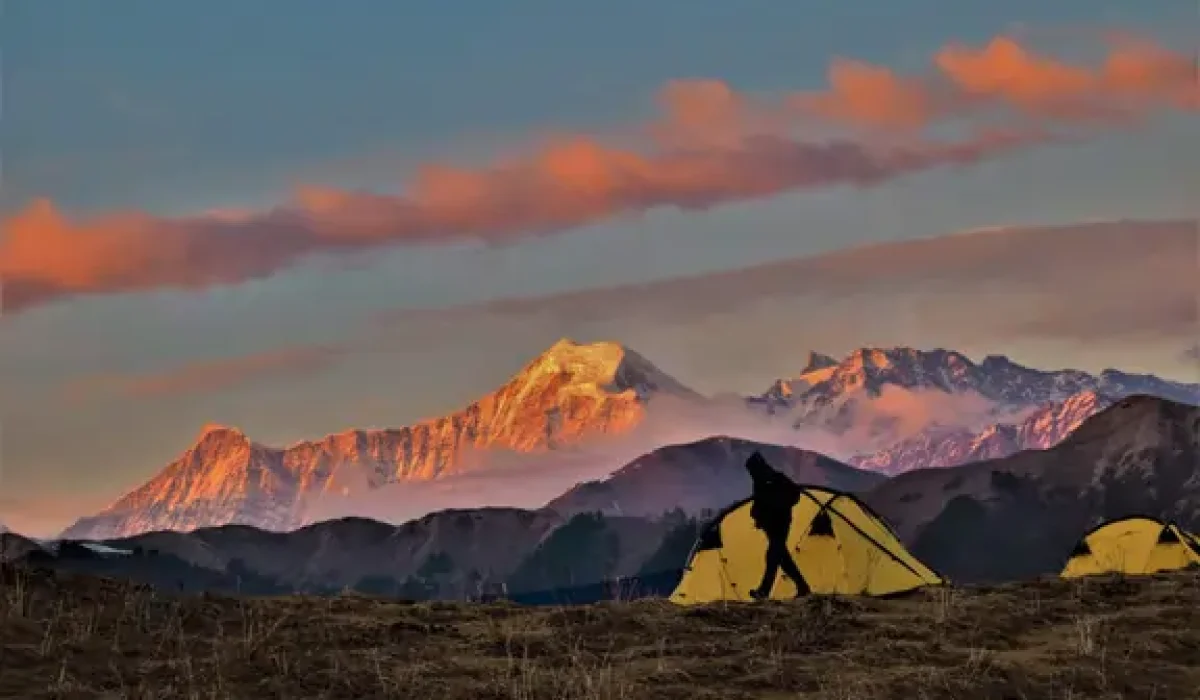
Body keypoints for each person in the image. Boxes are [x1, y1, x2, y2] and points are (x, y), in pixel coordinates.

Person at [744, 451, 811, 600]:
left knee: (773, 556)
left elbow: (794, 495)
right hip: (771, 526)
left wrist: (779, 505)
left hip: (780, 525)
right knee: (782, 558)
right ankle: (802, 587)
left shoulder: (778, 479)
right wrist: (758, 516)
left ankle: (764, 591)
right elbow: (759, 503)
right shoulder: (760, 483)